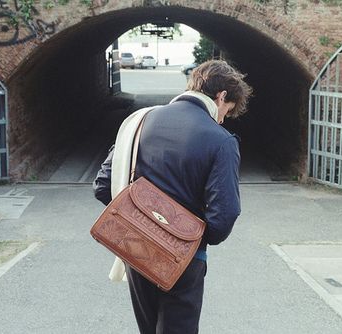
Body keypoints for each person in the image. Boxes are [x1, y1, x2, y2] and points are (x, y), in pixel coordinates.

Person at [93, 60, 252, 334]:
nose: (223, 117)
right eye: (227, 109)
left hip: (136, 249)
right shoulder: (221, 140)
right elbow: (223, 218)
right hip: (184, 259)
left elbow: (103, 185)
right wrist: (183, 233)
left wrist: (144, 222)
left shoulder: (139, 121)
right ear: (221, 96)